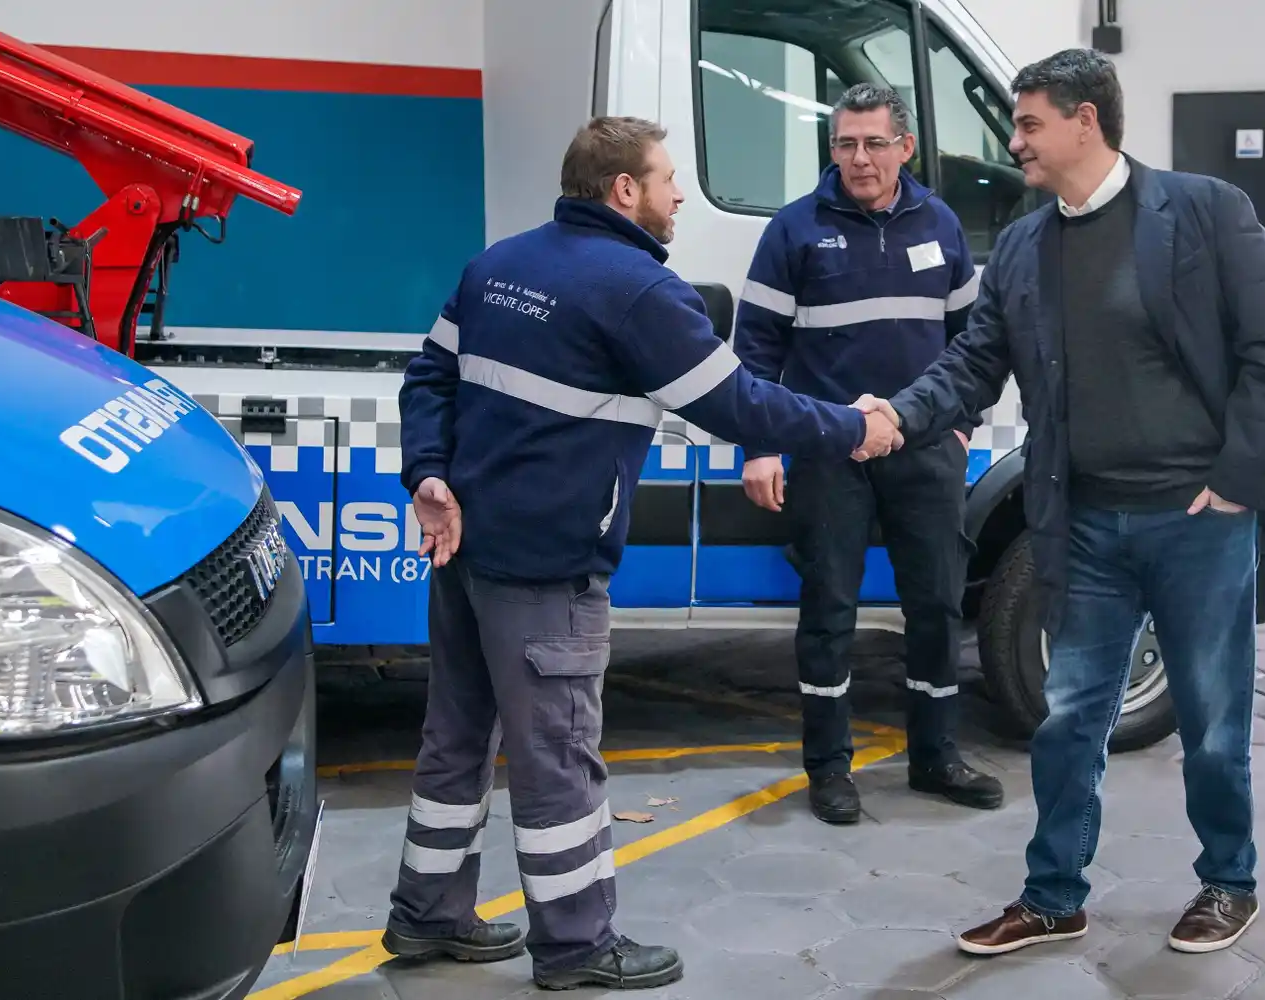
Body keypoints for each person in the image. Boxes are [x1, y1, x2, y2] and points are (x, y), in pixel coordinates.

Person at [866, 49, 1265, 957]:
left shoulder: (1207, 212)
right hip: (1085, 520)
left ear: (1085, 121)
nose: (1013, 141)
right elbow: (976, 362)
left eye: (1028, 124)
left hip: (1198, 519)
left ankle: (1228, 882)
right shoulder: (1025, 242)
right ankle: (1053, 894)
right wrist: (899, 415)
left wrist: (1238, 483)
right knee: (1069, 718)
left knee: (1213, 719)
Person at [384, 115, 900, 992]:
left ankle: (427, 916)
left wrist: (427, 472)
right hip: (548, 569)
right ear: (624, 190)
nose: (679, 195)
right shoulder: (638, 292)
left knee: (456, 741)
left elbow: (428, 378)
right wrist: (856, 426)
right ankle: (578, 947)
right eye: (668, 180)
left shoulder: (498, 264)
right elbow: (741, 408)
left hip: (466, 553)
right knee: (559, 760)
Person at [733, 82, 1005, 821]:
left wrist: (960, 425)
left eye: (874, 143)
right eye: (845, 143)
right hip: (826, 452)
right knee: (828, 610)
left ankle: (936, 756)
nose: (859, 158)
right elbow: (754, 348)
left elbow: (974, 344)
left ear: (905, 147)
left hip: (926, 450)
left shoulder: (941, 225)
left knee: (936, 605)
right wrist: (760, 448)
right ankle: (828, 768)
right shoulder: (793, 231)